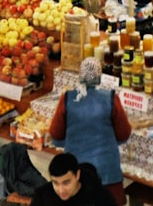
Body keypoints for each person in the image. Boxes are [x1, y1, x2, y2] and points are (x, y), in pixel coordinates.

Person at [49, 58, 131, 204]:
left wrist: (68, 142)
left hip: (76, 173)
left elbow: (55, 134)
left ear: (80, 76)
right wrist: (110, 141)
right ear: (100, 77)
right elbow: (124, 133)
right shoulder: (111, 98)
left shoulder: (68, 98)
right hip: (107, 171)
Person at [29, 152, 117, 206]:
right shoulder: (42, 197)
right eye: (55, 183)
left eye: (66, 182)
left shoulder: (98, 196)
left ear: (77, 175)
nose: (61, 190)